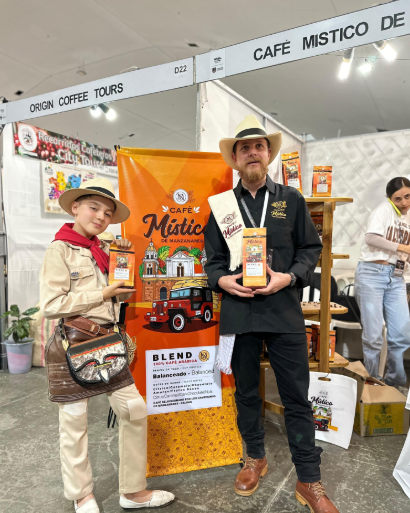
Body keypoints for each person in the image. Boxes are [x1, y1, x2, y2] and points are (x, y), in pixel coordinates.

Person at [204, 115, 339, 513]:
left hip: (283, 309)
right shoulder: (221, 207)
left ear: (268, 155)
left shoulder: (291, 199)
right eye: (244, 148)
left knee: (296, 396)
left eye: (259, 146)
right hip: (238, 311)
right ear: (235, 158)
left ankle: (309, 479)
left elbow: (310, 249)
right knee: (246, 392)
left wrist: (289, 278)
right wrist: (222, 281)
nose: (252, 152)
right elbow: (212, 261)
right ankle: (255, 458)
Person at [40, 178, 175, 512]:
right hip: (73, 344)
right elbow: (51, 305)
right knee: (74, 421)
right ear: (75, 207)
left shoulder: (106, 250)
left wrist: (123, 276)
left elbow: (118, 299)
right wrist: (102, 293)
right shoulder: (60, 249)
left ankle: (132, 491)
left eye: (107, 212)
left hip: (109, 342)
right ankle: (81, 495)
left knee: (134, 409)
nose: (101, 216)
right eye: (94, 207)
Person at [355, 177, 410, 392]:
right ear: (390, 199)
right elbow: (371, 238)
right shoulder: (383, 210)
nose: (404, 202)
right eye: (398, 199)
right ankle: (373, 382)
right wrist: (402, 247)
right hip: (372, 273)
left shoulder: (408, 217)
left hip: (396, 277)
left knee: (402, 334)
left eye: (407, 196)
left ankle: (394, 381)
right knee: (373, 336)